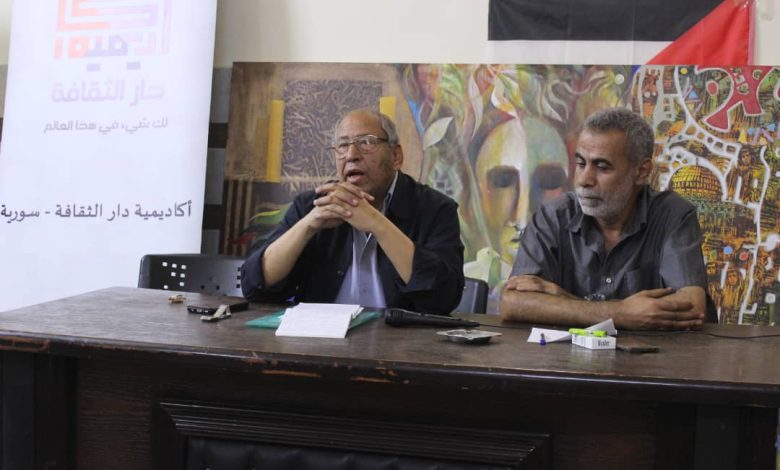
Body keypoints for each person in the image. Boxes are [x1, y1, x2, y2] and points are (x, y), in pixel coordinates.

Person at [500, 107, 708, 330]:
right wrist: (620, 314)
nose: (584, 180)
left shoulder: (673, 215)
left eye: (601, 167)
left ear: (641, 172)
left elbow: (693, 308)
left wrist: (565, 299)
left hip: (653, 353)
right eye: (581, 164)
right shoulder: (554, 216)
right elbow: (513, 303)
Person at [241, 108, 465, 314]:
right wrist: (308, 226)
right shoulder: (313, 206)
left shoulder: (435, 209)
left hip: (402, 340)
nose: (351, 155)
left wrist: (378, 225)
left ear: (396, 157)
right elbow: (254, 286)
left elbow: (443, 297)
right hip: (320, 338)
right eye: (342, 145)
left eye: (366, 142)